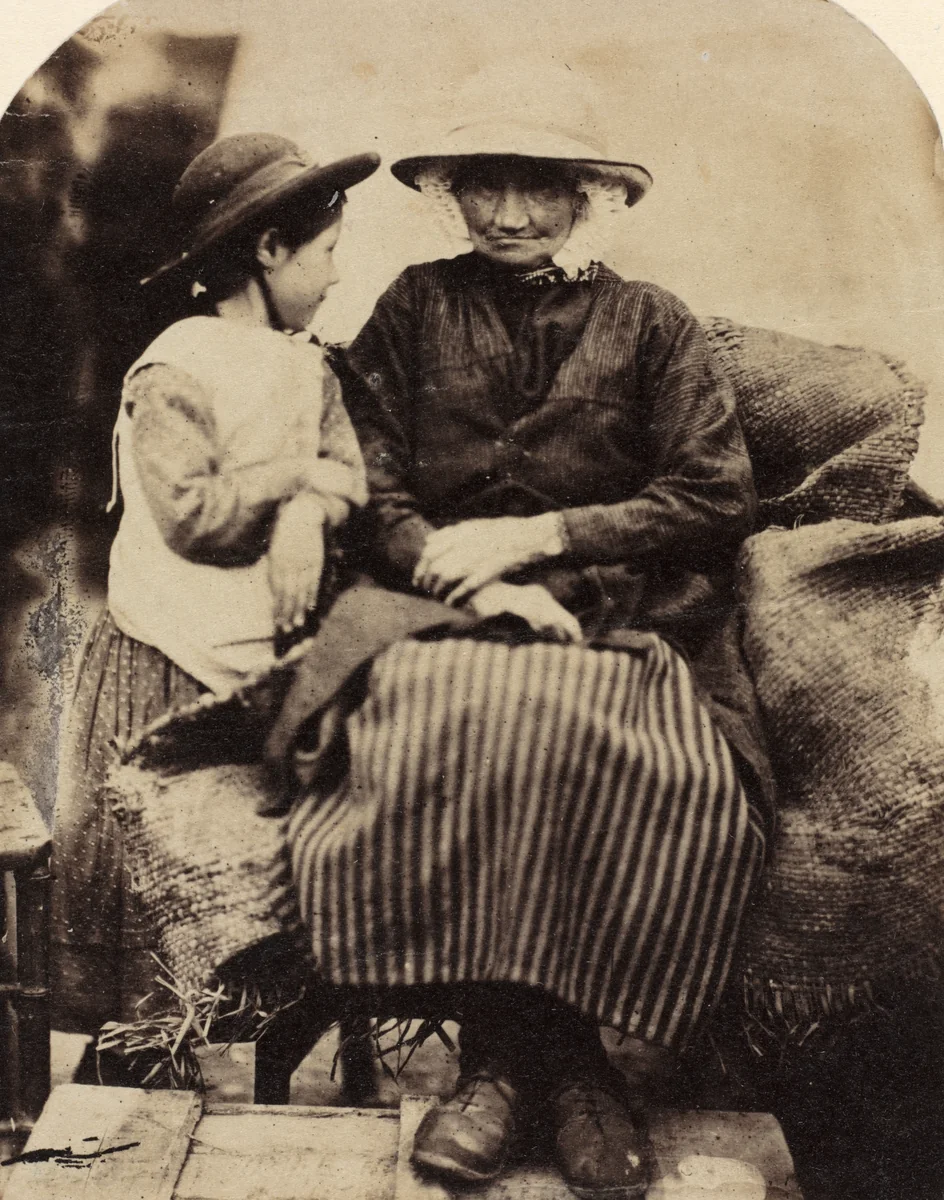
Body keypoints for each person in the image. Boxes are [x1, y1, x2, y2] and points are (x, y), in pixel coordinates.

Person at [283, 115, 775, 1199]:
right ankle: (553, 1074)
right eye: (485, 189)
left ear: (588, 195)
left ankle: (528, 1067)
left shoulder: (650, 323)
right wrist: (474, 574)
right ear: (452, 195)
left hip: (620, 614)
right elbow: (363, 474)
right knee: (460, 720)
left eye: (537, 190)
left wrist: (545, 538)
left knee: (639, 755)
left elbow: (712, 493)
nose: (508, 214)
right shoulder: (414, 304)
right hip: (441, 610)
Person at [51, 133, 378, 1051]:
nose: (336, 275)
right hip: (168, 657)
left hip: (256, 662)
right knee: (153, 882)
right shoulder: (176, 366)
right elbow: (196, 517)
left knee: (240, 876)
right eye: (326, 253)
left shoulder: (306, 364)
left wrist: (314, 503)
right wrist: (290, 480)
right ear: (267, 250)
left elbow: (351, 477)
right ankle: (139, 1075)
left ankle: (237, 1057)